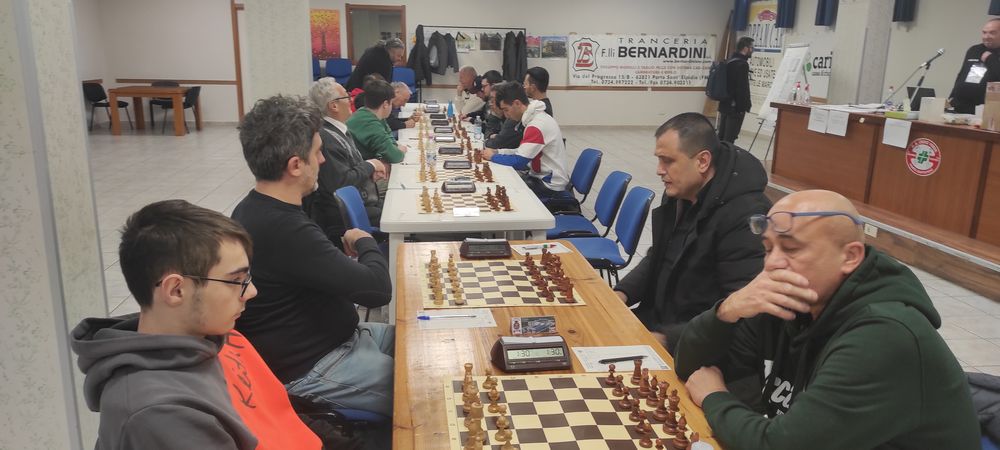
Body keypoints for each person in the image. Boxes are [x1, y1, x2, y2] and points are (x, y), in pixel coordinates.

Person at [676, 189, 980, 450]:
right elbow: (691, 369)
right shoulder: (784, 303)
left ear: (850, 257)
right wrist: (727, 310)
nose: (772, 263)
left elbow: (779, 445)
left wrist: (715, 397)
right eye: (768, 249)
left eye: (791, 248)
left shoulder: (885, 335)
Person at [71, 199, 322, 450]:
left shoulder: (212, 337)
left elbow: (280, 417)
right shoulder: (159, 414)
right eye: (236, 280)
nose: (251, 291)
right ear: (176, 290)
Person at [231, 95, 394, 417]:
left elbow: (313, 263)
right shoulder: (283, 227)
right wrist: (364, 241)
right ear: (295, 165)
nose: (322, 160)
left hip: (343, 338)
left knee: (425, 340)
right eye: (317, 152)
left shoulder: (260, 207)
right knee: (428, 386)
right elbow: (377, 289)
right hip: (314, 365)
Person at [613, 113, 770, 353]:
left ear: (702, 161)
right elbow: (659, 256)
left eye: (668, 161)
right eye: (658, 160)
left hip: (699, 347)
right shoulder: (680, 194)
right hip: (658, 325)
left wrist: (668, 339)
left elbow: (745, 311)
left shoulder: (745, 215)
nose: (659, 170)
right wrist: (622, 293)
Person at [306, 77, 386, 245]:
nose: (351, 99)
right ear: (334, 105)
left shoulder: (337, 130)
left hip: (363, 200)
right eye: (346, 96)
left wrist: (369, 171)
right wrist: (370, 165)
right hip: (345, 214)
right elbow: (341, 182)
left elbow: (349, 166)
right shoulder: (327, 138)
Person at [481, 81, 569, 201]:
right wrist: (498, 152)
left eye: (506, 110)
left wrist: (493, 157)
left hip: (549, 185)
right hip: (539, 177)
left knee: (505, 192)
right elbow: (521, 152)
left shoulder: (536, 125)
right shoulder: (534, 118)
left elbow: (519, 161)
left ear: (517, 103)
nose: (506, 115)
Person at [346, 79, 407, 164]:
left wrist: (394, 148)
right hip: (358, 166)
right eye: (391, 103)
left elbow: (390, 139)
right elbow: (395, 157)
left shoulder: (369, 113)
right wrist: (401, 151)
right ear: (385, 104)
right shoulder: (369, 123)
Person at [949, 18, 1000, 114]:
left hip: (988, 110)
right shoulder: (975, 50)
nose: (986, 36)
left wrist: (991, 60)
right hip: (961, 105)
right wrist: (952, 96)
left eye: (992, 33)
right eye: (984, 32)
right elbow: (962, 75)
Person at [717, 37, 753, 144]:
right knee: (730, 138)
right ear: (745, 48)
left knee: (721, 136)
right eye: (751, 48)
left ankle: (718, 154)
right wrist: (745, 106)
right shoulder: (742, 64)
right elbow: (742, 88)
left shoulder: (729, 61)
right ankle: (727, 155)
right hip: (735, 107)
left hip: (725, 104)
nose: (752, 50)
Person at [484, 85, 524, 150]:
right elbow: (488, 132)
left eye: (493, 100)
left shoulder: (513, 118)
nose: (490, 104)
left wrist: (497, 137)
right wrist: (492, 136)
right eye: (490, 100)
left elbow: (497, 144)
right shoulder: (497, 114)